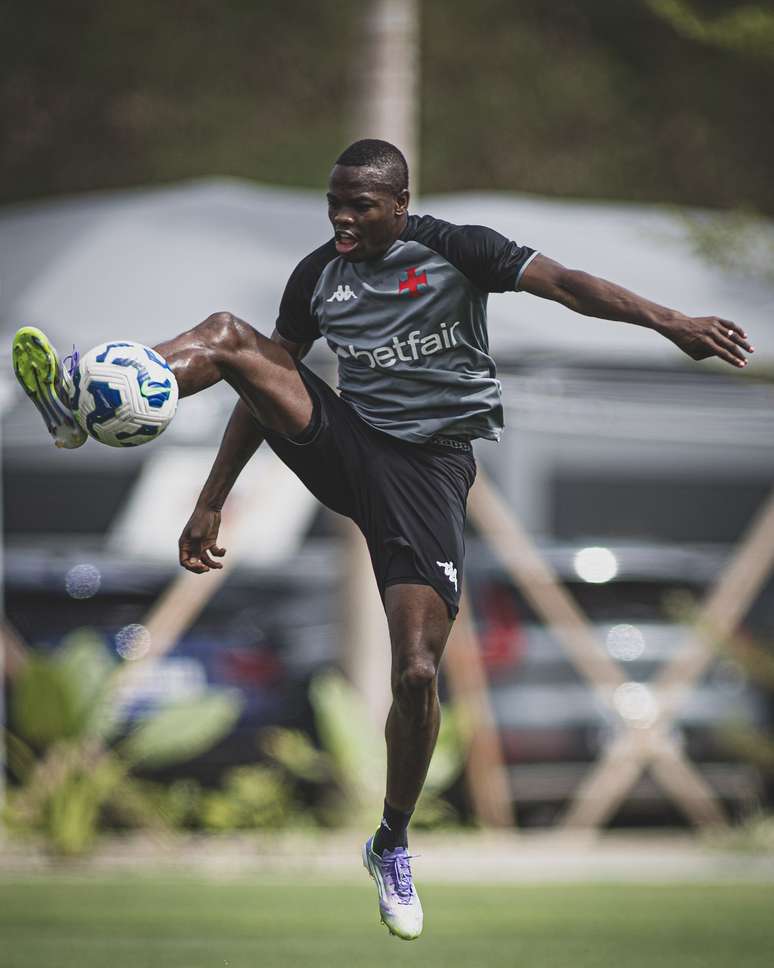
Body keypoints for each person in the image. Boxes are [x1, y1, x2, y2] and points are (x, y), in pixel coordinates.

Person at [12, 138, 754, 940]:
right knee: (230, 335)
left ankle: (391, 841)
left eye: (360, 205)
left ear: (400, 204)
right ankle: (81, 397)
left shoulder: (456, 248)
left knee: (416, 670)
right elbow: (262, 387)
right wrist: (210, 500)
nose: (342, 216)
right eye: (335, 201)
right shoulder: (317, 275)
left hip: (428, 476)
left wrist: (672, 320)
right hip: (347, 440)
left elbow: (569, 286)